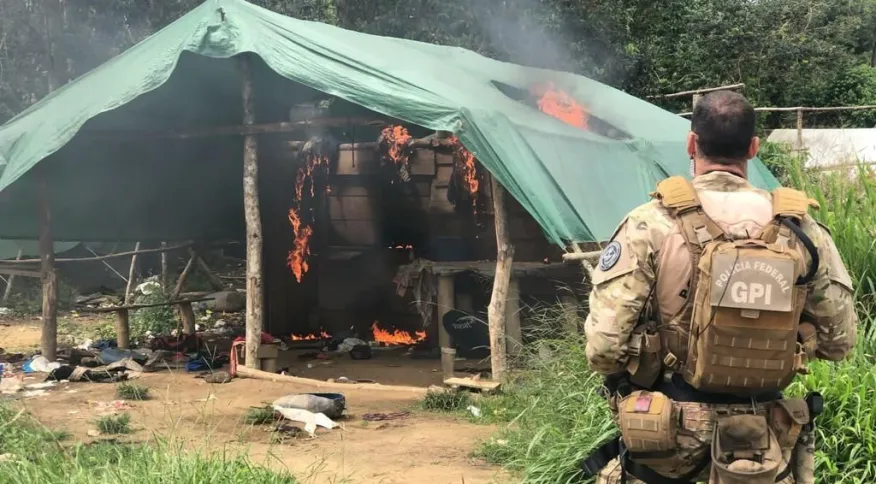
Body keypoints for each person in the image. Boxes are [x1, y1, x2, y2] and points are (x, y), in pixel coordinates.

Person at [581, 90, 857, 484]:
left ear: (692, 143)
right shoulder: (803, 229)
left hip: (667, 444)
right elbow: (840, 343)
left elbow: (604, 349)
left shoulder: (650, 224)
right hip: (763, 443)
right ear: (754, 148)